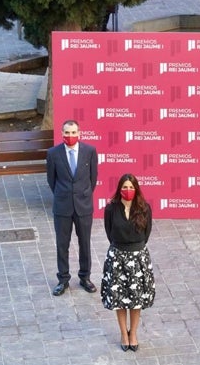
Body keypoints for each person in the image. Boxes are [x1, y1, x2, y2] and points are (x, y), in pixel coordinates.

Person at [101, 173, 155, 352]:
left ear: (136, 189)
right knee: (120, 300)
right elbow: (109, 233)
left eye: (131, 187)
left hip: (138, 258)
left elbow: (146, 235)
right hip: (117, 258)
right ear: (119, 189)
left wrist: (135, 249)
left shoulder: (144, 208)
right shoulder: (110, 209)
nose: (128, 190)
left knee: (136, 300)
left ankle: (134, 334)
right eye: (124, 187)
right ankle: (124, 333)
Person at [47, 119, 98, 296]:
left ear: (79, 133)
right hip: (62, 207)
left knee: (84, 243)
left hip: (83, 206)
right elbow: (51, 181)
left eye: (73, 132)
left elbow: (93, 179)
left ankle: (85, 277)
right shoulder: (53, 153)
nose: (70, 136)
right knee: (62, 244)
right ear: (62, 134)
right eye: (67, 133)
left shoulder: (89, 151)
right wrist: (64, 195)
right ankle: (63, 279)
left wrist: (81, 195)